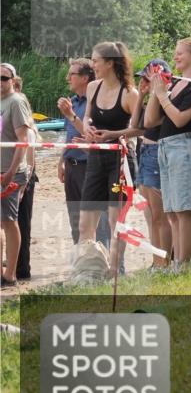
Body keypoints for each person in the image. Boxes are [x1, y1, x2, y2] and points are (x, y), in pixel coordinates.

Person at [146, 39, 191, 268]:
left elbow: (179, 118)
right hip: (165, 148)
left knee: (184, 210)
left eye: (179, 54)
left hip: (185, 147)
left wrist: (163, 96)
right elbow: (150, 121)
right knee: (172, 212)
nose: (174, 58)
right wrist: (155, 93)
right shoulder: (174, 84)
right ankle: (177, 262)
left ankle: (182, 264)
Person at [78, 42, 141, 273]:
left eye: (95, 61)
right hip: (96, 156)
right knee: (85, 222)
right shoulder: (93, 87)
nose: (92, 65)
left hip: (121, 160)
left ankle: (115, 271)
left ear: (110, 62)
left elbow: (141, 129)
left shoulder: (130, 93)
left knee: (116, 222)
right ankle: (89, 271)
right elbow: (86, 117)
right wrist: (87, 129)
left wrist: (113, 134)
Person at [56, 58, 107, 246]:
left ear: (85, 78)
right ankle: (81, 259)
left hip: (89, 165)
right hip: (72, 166)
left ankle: (99, 260)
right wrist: (62, 160)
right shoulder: (74, 102)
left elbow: (90, 135)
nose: (67, 77)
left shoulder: (95, 103)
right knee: (75, 218)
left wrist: (71, 115)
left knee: (95, 220)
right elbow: (69, 136)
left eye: (72, 74)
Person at [131, 59, 171, 268]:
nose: (144, 82)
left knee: (159, 215)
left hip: (156, 151)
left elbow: (149, 123)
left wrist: (155, 93)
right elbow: (135, 125)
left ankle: (163, 260)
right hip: (144, 151)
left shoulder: (165, 98)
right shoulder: (151, 99)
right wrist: (141, 97)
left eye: (147, 78)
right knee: (149, 215)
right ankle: (156, 261)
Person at [1, 64, 32, 287]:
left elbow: (23, 140)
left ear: (13, 79)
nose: (0, 81)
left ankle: (10, 274)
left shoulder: (16, 102)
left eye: (4, 77)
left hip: (10, 172)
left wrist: (11, 172)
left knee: (9, 221)